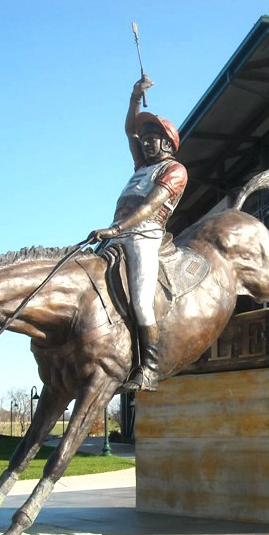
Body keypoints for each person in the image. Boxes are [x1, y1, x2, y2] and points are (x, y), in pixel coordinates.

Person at [88, 77, 187, 392]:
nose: (145, 141)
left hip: (145, 236)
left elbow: (150, 204)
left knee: (142, 302)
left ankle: (149, 369)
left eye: (153, 137)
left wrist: (116, 228)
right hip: (118, 235)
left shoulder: (174, 170)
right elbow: (129, 130)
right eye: (145, 138)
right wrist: (134, 96)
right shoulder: (141, 166)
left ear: (167, 143)